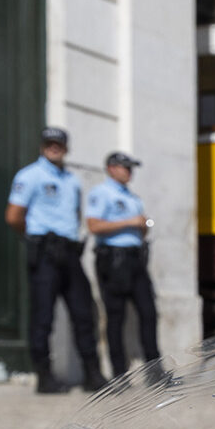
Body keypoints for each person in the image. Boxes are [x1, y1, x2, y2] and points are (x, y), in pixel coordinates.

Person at [6, 127, 103, 394]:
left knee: (83, 314)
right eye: (49, 143)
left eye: (58, 144)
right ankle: (45, 377)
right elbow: (13, 216)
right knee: (43, 317)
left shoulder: (72, 180)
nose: (54, 147)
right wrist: (35, 239)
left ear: (66, 148)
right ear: (42, 146)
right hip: (45, 253)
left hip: (70, 253)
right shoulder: (29, 175)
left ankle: (92, 374)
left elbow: (75, 215)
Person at [86, 152, 161, 381]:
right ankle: (119, 374)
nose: (129, 172)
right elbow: (94, 225)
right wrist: (130, 222)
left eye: (131, 168)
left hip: (135, 258)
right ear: (111, 168)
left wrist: (142, 226)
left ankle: (155, 371)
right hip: (113, 259)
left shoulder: (133, 197)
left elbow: (141, 229)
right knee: (116, 316)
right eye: (125, 167)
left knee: (148, 312)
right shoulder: (101, 193)